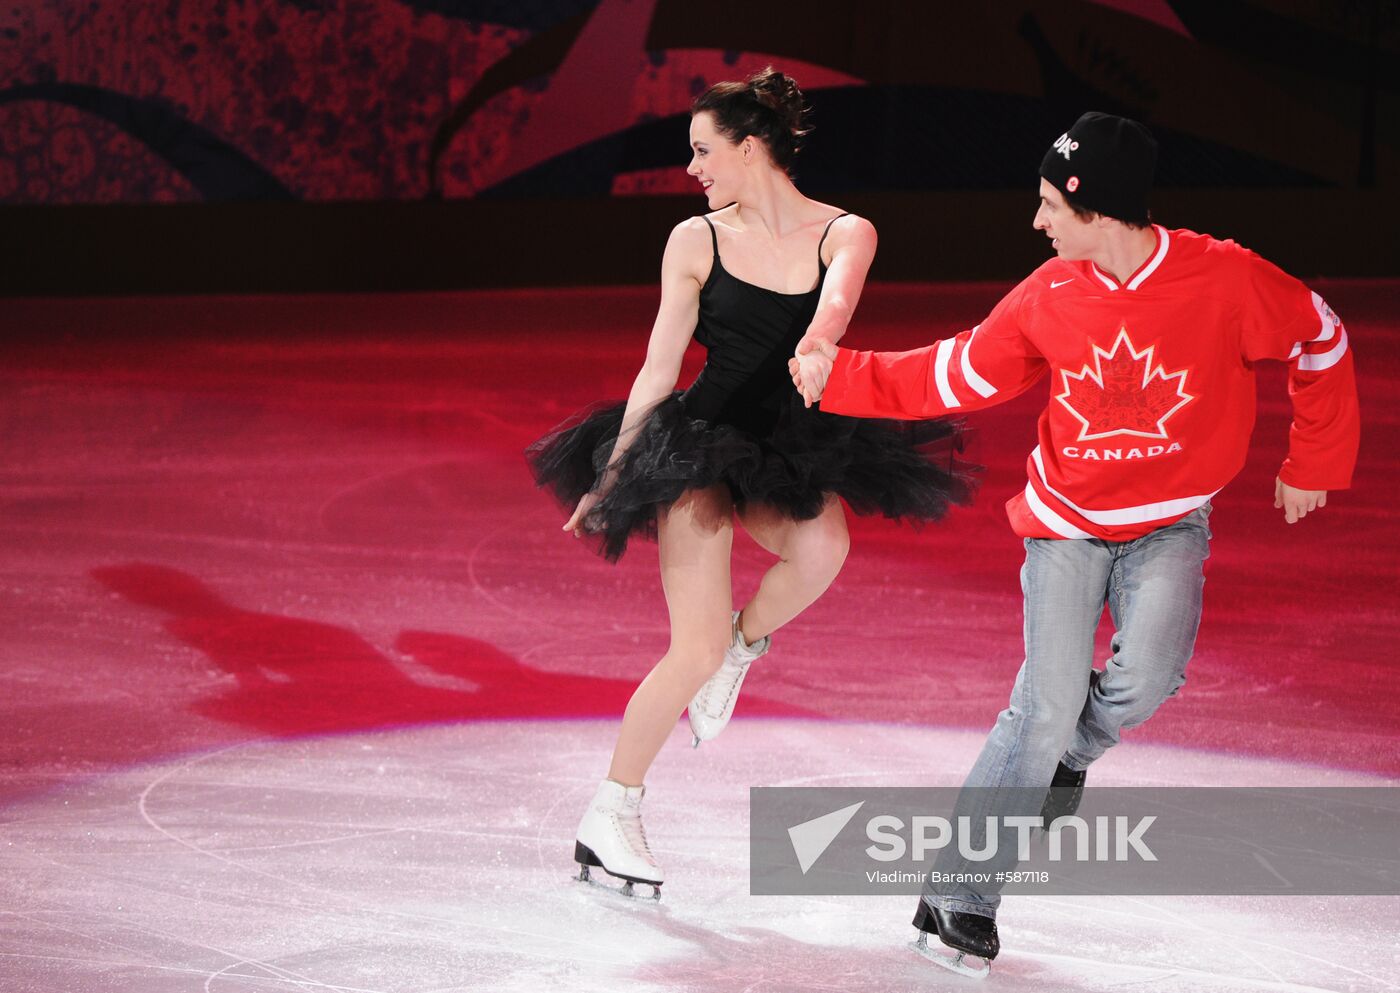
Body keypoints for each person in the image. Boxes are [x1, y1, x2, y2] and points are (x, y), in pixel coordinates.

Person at [791, 111, 1359, 972]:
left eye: (1051, 204)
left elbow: (1320, 334)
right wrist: (840, 374)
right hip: (1064, 527)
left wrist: (1313, 458)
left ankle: (1067, 756)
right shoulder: (1049, 293)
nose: (1038, 221)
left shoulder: (1225, 278)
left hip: (1171, 521)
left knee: (1149, 678)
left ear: (1100, 209)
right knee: (1043, 705)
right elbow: (959, 370)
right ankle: (961, 894)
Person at [526, 68, 974, 898]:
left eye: (704, 150)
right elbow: (660, 365)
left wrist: (819, 345)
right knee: (689, 647)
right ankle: (611, 811)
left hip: (785, 443)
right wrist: (611, 471)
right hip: (700, 444)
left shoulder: (846, 230)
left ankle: (745, 644)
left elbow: (836, 304)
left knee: (824, 547)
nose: (692, 167)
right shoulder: (694, 239)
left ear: (751, 146)